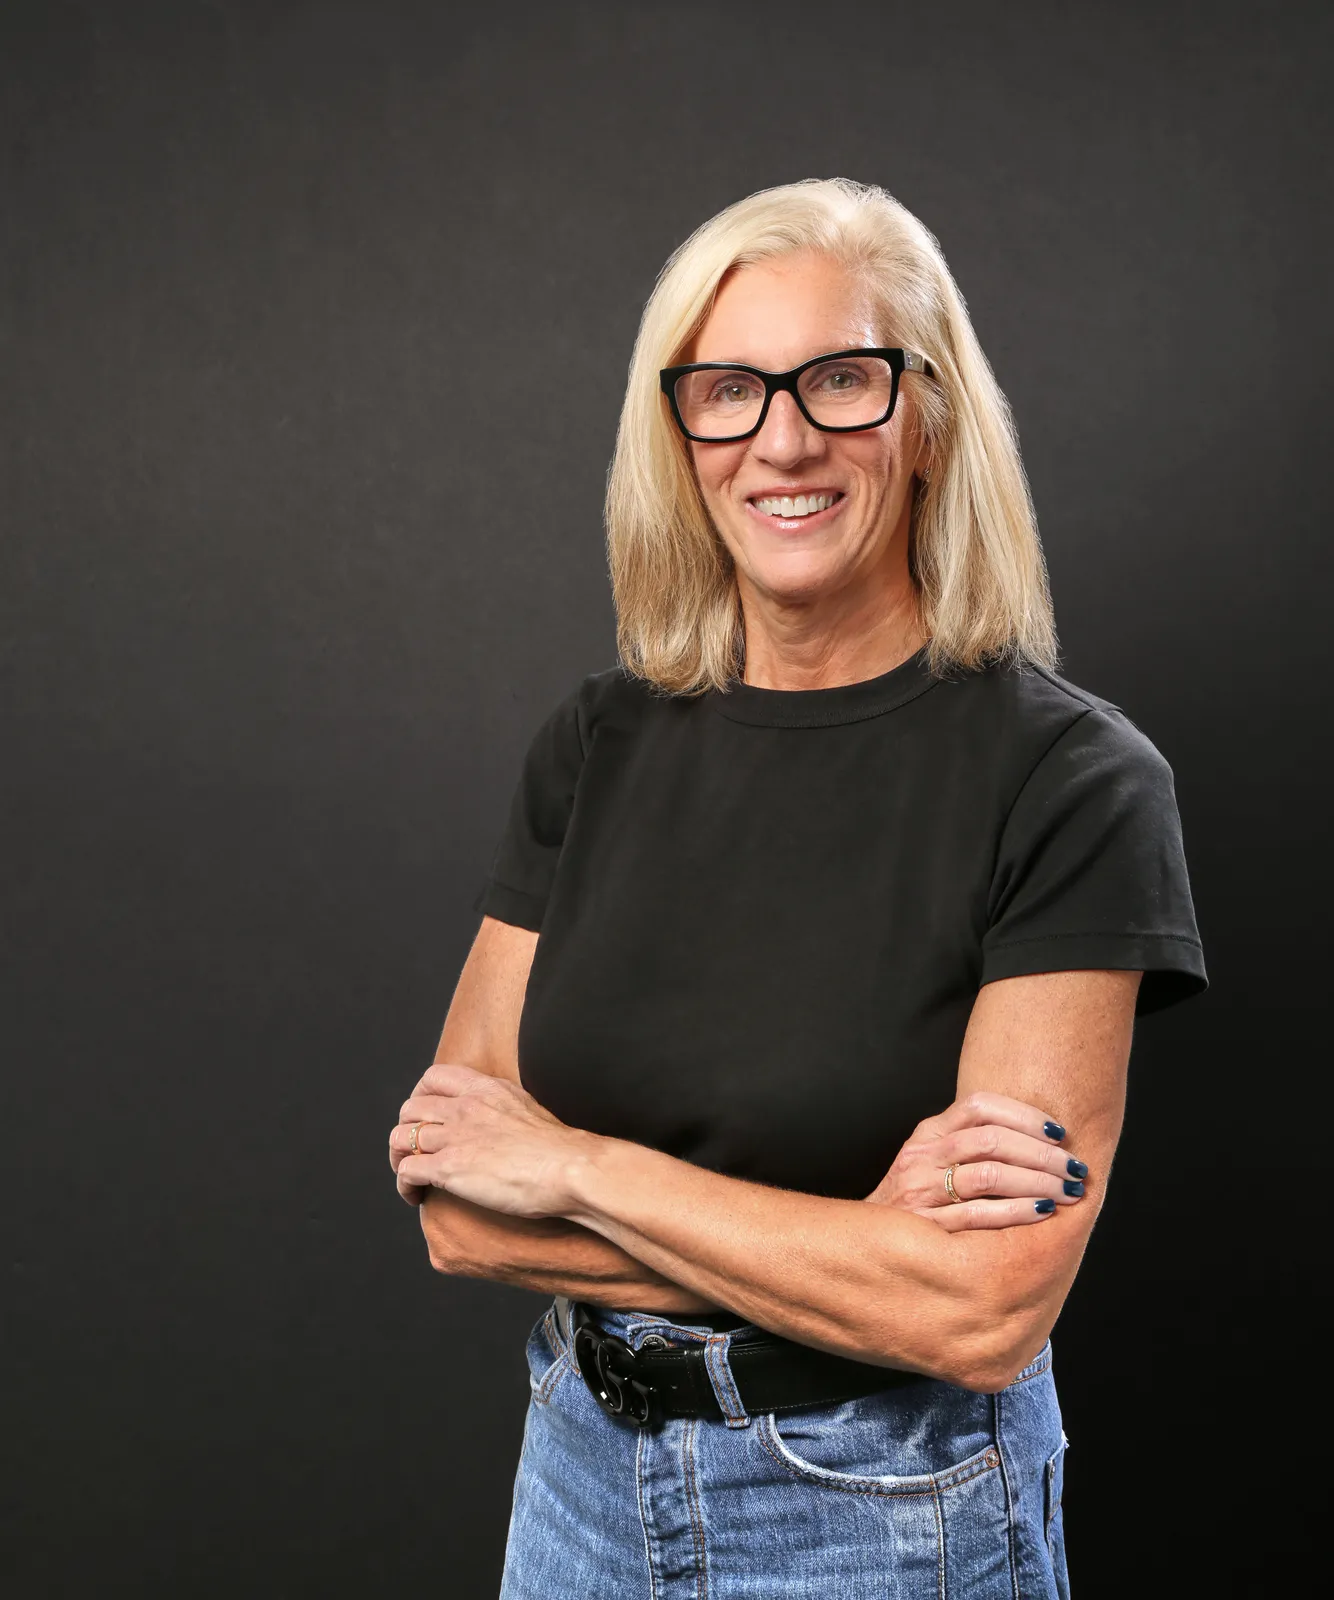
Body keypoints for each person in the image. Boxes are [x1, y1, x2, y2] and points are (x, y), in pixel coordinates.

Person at [387, 177, 1207, 1598]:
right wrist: (858, 1250)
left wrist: (578, 1169)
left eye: (842, 380)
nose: (782, 438)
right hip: (579, 1474)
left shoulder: (1071, 781)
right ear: (681, 430)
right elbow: (459, 1204)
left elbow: (981, 1308)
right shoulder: (599, 743)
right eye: (729, 390)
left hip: (885, 1504)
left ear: (931, 417)